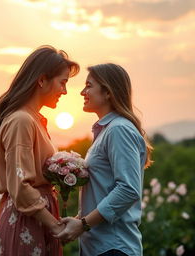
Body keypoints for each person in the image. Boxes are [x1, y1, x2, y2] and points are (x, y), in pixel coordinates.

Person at [0, 45, 79, 256]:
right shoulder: (21, 120)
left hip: (37, 219)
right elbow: (20, 184)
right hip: (25, 222)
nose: (65, 91)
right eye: (63, 82)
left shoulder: (33, 119)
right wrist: (55, 225)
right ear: (42, 80)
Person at [55, 63, 153, 256]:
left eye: (89, 85)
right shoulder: (106, 131)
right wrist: (78, 220)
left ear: (108, 92)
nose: (83, 91)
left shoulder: (118, 130)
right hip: (100, 247)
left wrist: (83, 224)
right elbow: (103, 189)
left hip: (114, 247)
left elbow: (127, 190)